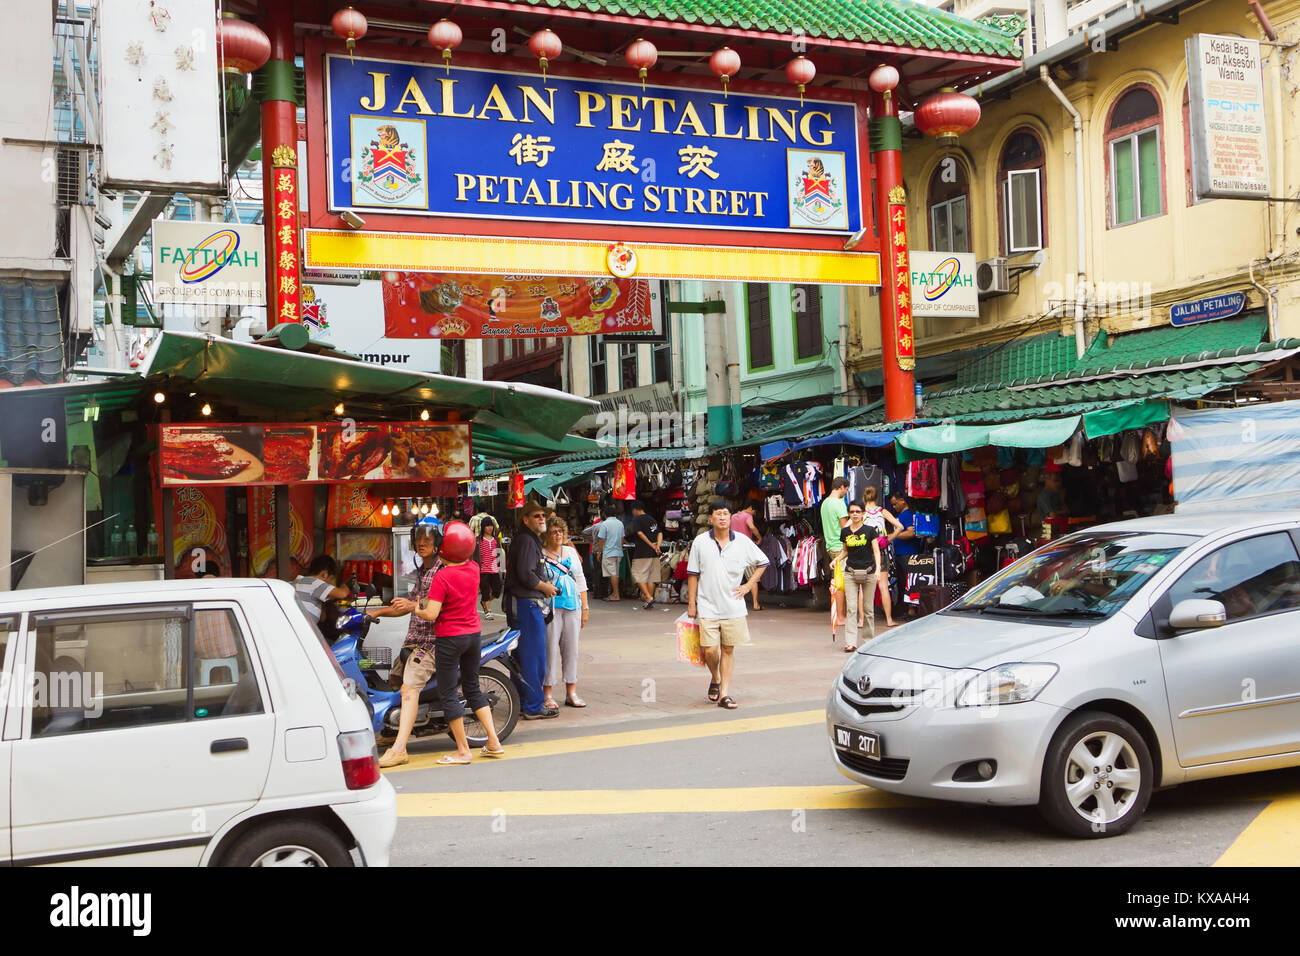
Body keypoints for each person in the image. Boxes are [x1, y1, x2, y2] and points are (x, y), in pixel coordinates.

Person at [405, 521, 504, 765]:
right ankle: (493, 741)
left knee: (448, 691)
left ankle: (463, 750)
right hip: (473, 636)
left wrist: (415, 607)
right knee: (472, 688)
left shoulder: (442, 576)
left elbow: (431, 614)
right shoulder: (472, 567)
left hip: (450, 639)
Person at [369, 520, 443, 766]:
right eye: (418, 538)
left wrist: (411, 606)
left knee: (409, 689)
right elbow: (408, 604)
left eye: (427, 539)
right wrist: (376, 613)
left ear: (438, 542)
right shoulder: (422, 570)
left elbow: (432, 609)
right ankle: (391, 732)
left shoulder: (440, 571)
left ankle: (400, 749)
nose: (422, 543)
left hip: (430, 644)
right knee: (392, 682)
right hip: (413, 642)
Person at [686, 500, 769, 710]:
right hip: (707, 606)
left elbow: (763, 562)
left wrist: (749, 585)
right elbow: (693, 574)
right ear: (711, 518)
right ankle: (715, 676)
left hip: (734, 607)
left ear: (730, 517)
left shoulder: (741, 541)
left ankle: (724, 693)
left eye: (725, 514)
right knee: (710, 650)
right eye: (718, 514)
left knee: (728, 649)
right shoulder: (700, 542)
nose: (722, 517)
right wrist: (691, 603)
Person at [505, 501, 561, 719]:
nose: (541, 519)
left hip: (522, 603)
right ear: (525, 519)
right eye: (537, 516)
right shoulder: (527, 540)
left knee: (522, 655)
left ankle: (522, 701)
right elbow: (526, 574)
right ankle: (533, 706)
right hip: (525, 604)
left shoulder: (527, 539)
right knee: (533, 656)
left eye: (543, 516)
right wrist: (545, 587)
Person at [541, 516, 589, 710]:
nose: (558, 535)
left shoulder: (570, 552)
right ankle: (548, 693)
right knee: (550, 650)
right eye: (554, 531)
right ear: (546, 535)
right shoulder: (540, 554)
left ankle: (571, 691)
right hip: (550, 609)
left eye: (561, 531)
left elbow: (580, 580)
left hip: (573, 607)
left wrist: (585, 608)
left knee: (572, 651)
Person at [840, 501, 883, 652]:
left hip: (869, 571)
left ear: (863, 513)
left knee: (868, 609)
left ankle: (868, 641)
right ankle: (851, 642)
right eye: (852, 512)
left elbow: (876, 551)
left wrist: (878, 569)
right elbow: (845, 551)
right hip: (850, 571)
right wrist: (836, 559)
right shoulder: (845, 532)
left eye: (858, 511)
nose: (855, 514)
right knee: (851, 608)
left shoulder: (870, 530)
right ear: (849, 514)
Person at [861, 487, 903, 628]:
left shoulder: (860, 513)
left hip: (865, 552)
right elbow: (900, 526)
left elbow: (849, 529)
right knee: (884, 586)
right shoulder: (882, 511)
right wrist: (889, 538)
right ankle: (889, 620)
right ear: (877, 498)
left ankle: (861, 621)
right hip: (882, 549)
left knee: (863, 588)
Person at [291, 555, 351, 627]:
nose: (329, 584)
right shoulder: (314, 582)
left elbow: (322, 618)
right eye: (330, 579)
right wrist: (346, 584)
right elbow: (342, 593)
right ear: (324, 574)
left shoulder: (297, 581)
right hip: (302, 628)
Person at [889, 491, 920, 618]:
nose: (894, 507)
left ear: (903, 500)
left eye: (895, 504)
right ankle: (904, 609)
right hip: (900, 553)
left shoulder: (908, 515)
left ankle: (911, 611)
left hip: (908, 553)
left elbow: (911, 532)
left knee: (909, 582)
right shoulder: (901, 515)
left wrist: (893, 536)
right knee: (902, 582)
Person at [728, 501, 764, 610]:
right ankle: (755, 604)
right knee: (752, 577)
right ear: (751, 508)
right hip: (746, 551)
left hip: (733, 549)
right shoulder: (747, 516)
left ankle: (730, 604)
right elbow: (751, 527)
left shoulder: (733, 516)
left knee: (733, 578)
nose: (754, 514)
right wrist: (759, 537)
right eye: (755, 511)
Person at [627, 501, 662, 609]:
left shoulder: (637, 519)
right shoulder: (651, 519)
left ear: (635, 509)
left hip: (642, 552)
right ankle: (648, 600)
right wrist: (658, 546)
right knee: (651, 577)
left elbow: (639, 533)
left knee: (637, 575)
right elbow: (660, 533)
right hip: (654, 553)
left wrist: (651, 544)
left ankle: (648, 597)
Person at [471, 516, 503, 620]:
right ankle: (488, 611)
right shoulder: (478, 541)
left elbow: (499, 554)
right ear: (483, 527)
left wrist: (502, 567)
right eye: (487, 526)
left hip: (494, 570)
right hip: (483, 570)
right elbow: (474, 555)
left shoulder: (496, 540)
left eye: (491, 526)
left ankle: (484, 602)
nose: (489, 528)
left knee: (497, 591)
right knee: (485, 591)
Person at [594, 509, 626, 601]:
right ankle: (615, 593)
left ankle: (616, 595)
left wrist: (599, 552)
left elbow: (601, 540)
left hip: (609, 552)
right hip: (618, 552)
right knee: (615, 573)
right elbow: (622, 539)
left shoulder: (605, 524)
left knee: (613, 574)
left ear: (605, 514)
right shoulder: (620, 523)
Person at [820, 477, 850, 565]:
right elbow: (845, 528)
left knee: (837, 575)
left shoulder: (825, 503)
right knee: (844, 577)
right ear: (841, 487)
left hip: (830, 546)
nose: (845, 492)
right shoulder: (839, 503)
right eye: (846, 489)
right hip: (840, 547)